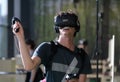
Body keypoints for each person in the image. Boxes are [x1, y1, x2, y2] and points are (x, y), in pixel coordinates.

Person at [12, 10, 92, 82]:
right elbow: (29, 66)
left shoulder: (82, 56)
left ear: (76, 28)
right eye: (62, 24)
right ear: (57, 28)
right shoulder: (47, 48)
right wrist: (20, 37)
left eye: (70, 23)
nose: (66, 26)